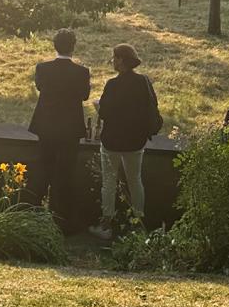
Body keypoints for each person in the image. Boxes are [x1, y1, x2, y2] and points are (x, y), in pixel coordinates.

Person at [89, 44, 160, 240]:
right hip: (135, 141)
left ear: (121, 60)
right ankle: (138, 225)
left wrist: (98, 106)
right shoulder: (143, 81)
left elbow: (105, 112)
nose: (112, 61)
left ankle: (106, 225)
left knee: (109, 182)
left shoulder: (113, 84)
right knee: (135, 181)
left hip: (112, 141)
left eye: (114, 58)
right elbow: (152, 105)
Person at [27, 29, 91, 234]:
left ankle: (33, 214)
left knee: (42, 169)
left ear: (55, 46)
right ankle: (63, 220)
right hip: (70, 129)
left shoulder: (43, 68)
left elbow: (39, 87)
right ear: (73, 47)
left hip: (46, 126)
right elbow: (84, 95)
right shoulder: (82, 72)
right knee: (66, 173)